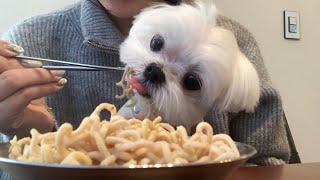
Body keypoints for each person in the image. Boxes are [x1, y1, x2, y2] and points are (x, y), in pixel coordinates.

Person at [0, 0, 291, 178]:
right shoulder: (25, 49)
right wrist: (24, 138)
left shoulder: (237, 43)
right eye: (156, 45)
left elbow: (269, 164)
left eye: (191, 82)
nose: (155, 70)